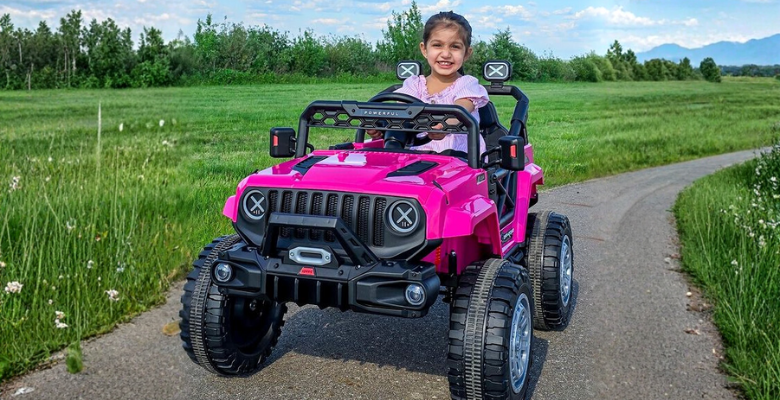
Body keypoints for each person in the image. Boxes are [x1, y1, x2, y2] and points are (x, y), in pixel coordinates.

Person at [368, 11, 489, 155]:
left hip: (461, 161)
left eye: (455, 47)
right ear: (424, 49)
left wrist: (445, 125)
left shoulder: (467, 84)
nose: (445, 54)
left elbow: (460, 111)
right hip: (416, 158)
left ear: (467, 53)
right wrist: (380, 126)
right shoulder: (414, 85)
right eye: (437, 45)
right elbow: (400, 113)